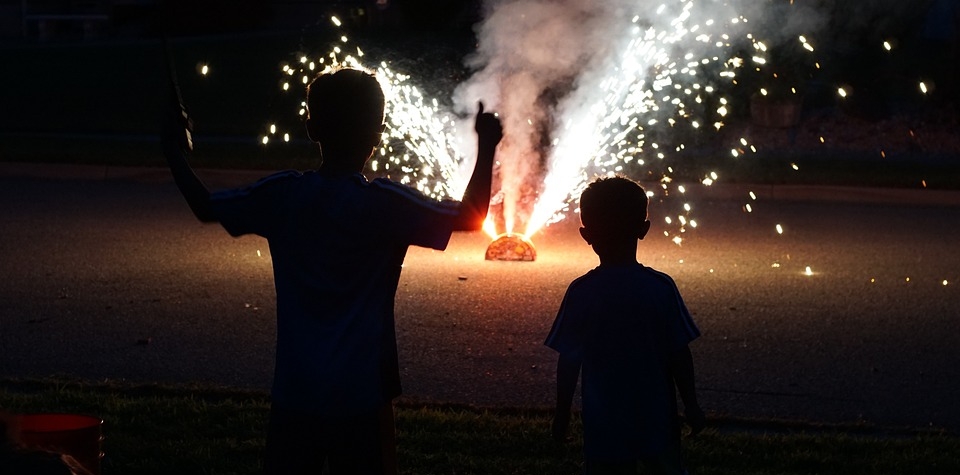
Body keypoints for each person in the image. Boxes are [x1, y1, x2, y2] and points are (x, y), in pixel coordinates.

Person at [162, 67, 503, 475]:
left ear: (311, 128)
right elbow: (471, 216)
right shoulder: (386, 204)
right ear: (377, 137)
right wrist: (487, 145)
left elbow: (205, 207)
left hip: (296, 388)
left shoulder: (283, 195)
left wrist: (173, 153)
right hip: (363, 393)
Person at [545, 176, 705, 475]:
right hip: (657, 416)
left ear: (586, 234)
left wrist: (562, 414)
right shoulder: (660, 288)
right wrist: (692, 406)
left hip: (604, 419)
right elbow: (679, 354)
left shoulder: (582, 292)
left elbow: (568, 361)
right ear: (643, 229)